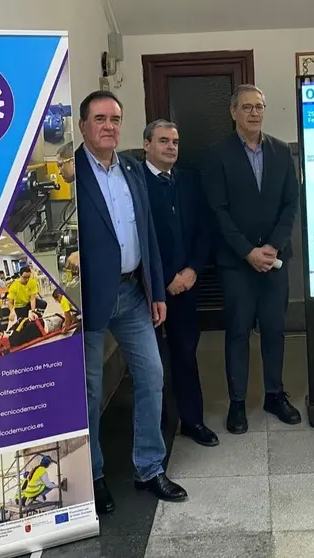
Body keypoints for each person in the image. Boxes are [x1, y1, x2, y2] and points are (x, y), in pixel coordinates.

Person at [67, 90, 186, 514]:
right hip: (89, 299)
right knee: (91, 389)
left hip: (134, 292)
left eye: (115, 118)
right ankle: (94, 475)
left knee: (152, 376)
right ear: (83, 126)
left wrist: (156, 291)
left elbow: (148, 235)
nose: (108, 126)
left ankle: (149, 467)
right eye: (99, 118)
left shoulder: (133, 170)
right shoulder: (71, 173)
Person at [203, 84, 300, 433]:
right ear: (233, 112)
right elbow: (218, 211)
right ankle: (238, 404)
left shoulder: (280, 151)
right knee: (239, 333)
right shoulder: (216, 155)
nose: (254, 113)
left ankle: (275, 394)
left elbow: (291, 203)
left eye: (259, 106)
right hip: (236, 264)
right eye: (247, 107)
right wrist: (247, 251)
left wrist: (273, 246)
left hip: (275, 261)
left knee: (275, 331)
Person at [141, 119, 217, 447]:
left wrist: (193, 271)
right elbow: (141, 237)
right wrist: (168, 276)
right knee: (150, 362)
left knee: (186, 352)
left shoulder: (187, 179)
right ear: (147, 145)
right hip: (149, 287)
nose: (171, 147)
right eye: (163, 141)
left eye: (174, 141)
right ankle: (156, 427)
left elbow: (204, 228)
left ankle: (192, 420)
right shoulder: (135, 182)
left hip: (186, 285)